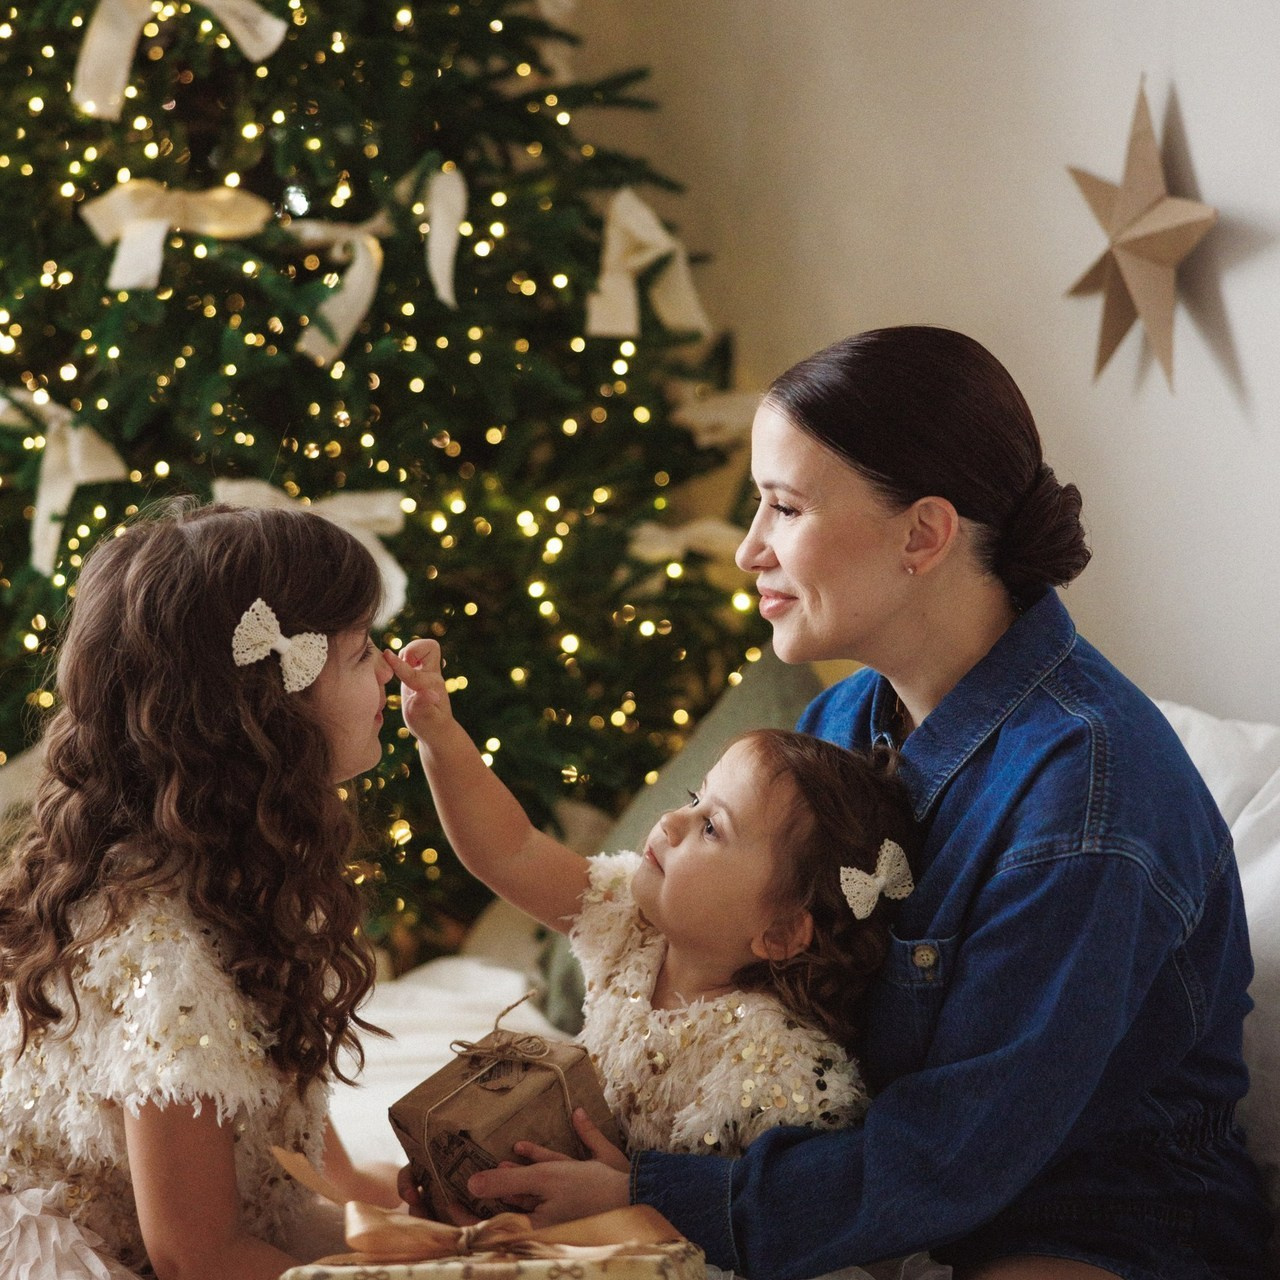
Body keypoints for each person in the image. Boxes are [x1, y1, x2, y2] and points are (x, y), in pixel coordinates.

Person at [453, 326, 1274, 1280]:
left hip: (1097, 1220)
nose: (748, 550)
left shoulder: (1087, 804)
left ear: (923, 534)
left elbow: (958, 1153)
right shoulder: (842, 720)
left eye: (784, 507)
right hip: (857, 1190)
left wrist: (659, 1195)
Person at [0, 501, 401, 1280]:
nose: (388, 668)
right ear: (274, 707)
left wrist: (452, 1225)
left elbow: (305, 1177)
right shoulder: (168, 958)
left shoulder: (238, 885)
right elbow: (194, 1255)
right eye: (362, 653)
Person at [388, 640, 925, 1203]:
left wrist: (625, 1205)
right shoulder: (635, 924)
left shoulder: (783, 1078)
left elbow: (762, 1225)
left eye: (712, 828)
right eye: (695, 799)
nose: (670, 821)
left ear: (781, 933)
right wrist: (438, 737)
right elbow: (511, 851)